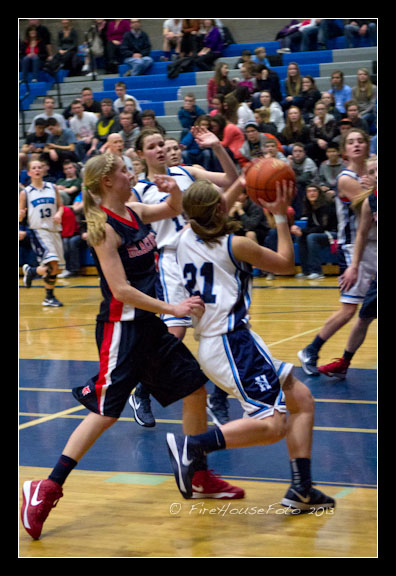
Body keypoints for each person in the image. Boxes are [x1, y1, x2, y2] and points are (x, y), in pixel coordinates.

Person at [20, 153, 244, 541]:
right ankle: (46, 487)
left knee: (194, 389)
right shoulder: (103, 228)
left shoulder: (135, 211)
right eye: (124, 170)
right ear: (108, 181)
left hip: (149, 325)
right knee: (106, 413)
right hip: (121, 329)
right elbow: (121, 290)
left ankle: (198, 470)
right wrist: (173, 307)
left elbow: (171, 209)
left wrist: (174, 192)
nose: (131, 173)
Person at [168, 176, 335, 512]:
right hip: (232, 344)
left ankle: (301, 489)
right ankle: (193, 447)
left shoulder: (182, 237)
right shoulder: (236, 245)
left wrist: (241, 184)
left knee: (300, 399)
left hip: (224, 343)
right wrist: (279, 216)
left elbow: (208, 209)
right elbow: (287, 264)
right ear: (218, 210)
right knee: (273, 425)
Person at [129, 127, 239, 427]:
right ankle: (142, 391)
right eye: (151, 146)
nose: (160, 149)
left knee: (220, 325)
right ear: (140, 155)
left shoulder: (185, 171)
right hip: (171, 260)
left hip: (204, 252)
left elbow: (232, 179)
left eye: (161, 143)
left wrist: (217, 148)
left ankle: (218, 398)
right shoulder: (137, 190)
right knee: (175, 332)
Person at [298, 129, 375, 376]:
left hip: (374, 246)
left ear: (367, 145)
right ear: (344, 149)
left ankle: (343, 363)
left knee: (365, 315)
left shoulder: (372, 171)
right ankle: (310, 350)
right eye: (351, 142)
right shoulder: (345, 178)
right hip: (355, 249)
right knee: (349, 309)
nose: (356, 145)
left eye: (360, 141)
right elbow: (368, 206)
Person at [319, 157, 377, 379]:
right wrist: (353, 266)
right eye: (371, 171)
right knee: (363, 317)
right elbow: (361, 234)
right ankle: (344, 362)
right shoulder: (369, 203)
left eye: (377, 169)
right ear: (368, 178)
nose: (375, 174)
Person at [20, 159, 65, 307]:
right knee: (52, 262)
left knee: (56, 268)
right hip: (38, 230)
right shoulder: (25, 192)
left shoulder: (52, 187)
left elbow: (61, 206)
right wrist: (20, 220)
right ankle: (46, 291)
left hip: (54, 230)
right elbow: (20, 215)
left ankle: (46, 294)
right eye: (34, 168)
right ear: (30, 172)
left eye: (40, 167)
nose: (38, 170)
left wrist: (59, 214)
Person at [291, 184, 338, 279]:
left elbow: (322, 227)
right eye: (309, 191)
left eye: (314, 191)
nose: (312, 193)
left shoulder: (326, 206)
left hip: (333, 234)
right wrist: (300, 232)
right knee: (301, 237)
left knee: (311, 237)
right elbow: (311, 226)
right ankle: (306, 271)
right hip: (322, 233)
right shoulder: (309, 207)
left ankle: (317, 271)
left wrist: (302, 231)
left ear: (319, 193)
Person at [287, 142, 318, 219]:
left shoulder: (308, 162)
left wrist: (290, 177)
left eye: (300, 151)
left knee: (298, 186)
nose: (297, 153)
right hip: (297, 185)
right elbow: (284, 178)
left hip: (312, 185)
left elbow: (304, 179)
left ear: (304, 153)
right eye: (295, 151)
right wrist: (289, 166)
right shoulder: (290, 162)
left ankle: (300, 215)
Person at [307, 99, 339, 166]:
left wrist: (320, 127)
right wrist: (318, 140)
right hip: (318, 145)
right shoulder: (313, 121)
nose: (320, 111)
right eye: (318, 109)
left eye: (322, 109)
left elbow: (329, 137)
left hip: (329, 143)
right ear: (315, 111)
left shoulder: (332, 121)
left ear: (326, 110)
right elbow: (311, 137)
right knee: (310, 146)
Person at [59, 205, 82, 278]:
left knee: (70, 242)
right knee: (65, 241)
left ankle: (74, 270)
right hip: (66, 235)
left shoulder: (66, 211)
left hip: (78, 233)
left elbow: (69, 230)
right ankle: (66, 269)